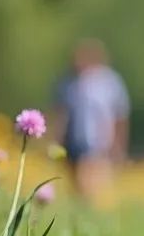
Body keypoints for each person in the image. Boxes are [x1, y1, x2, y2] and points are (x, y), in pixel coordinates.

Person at [50, 38, 131, 203]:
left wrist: (118, 145)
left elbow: (120, 116)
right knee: (76, 186)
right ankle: (82, 213)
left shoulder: (109, 82)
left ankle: (91, 212)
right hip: (71, 142)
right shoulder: (68, 83)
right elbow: (60, 113)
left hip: (98, 143)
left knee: (90, 183)